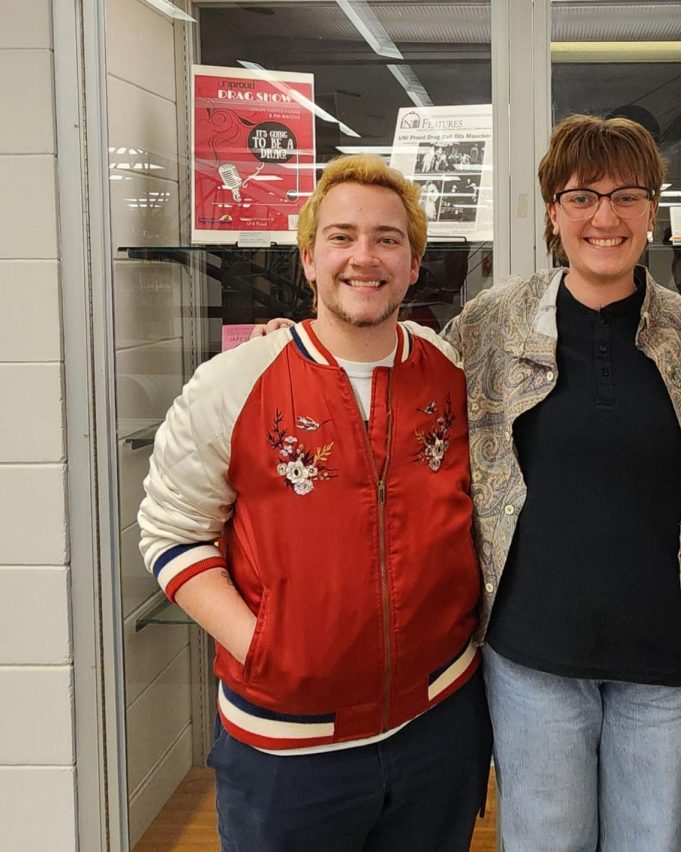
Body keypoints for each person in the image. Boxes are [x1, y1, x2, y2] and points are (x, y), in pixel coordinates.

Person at [138, 155, 491, 851]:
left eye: (388, 239)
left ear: (415, 263)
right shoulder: (232, 384)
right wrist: (263, 647)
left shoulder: (449, 371)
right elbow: (170, 532)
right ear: (308, 258)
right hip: (287, 748)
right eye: (341, 237)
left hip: (440, 724)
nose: (365, 257)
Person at [442, 114, 681, 850]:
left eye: (628, 195)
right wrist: (304, 333)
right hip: (533, 655)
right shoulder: (490, 326)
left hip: (663, 664)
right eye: (583, 197)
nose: (606, 217)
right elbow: (413, 401)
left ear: (653, 209)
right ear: (552, 212)